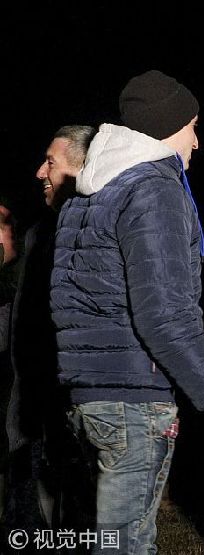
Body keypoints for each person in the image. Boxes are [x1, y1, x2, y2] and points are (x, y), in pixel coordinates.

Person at [50, 70, 204, 554]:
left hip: (88, 398)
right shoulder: (153, 189)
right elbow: (164, 316)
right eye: (192, 127)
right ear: (168, 127)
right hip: (132, 400)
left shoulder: (87, 194)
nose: (197, 142)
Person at [5, 125, 95, 534]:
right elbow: (23, 311)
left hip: (79, 396)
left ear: (81, 168)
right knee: (28, 502)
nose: (40, 172)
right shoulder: (39, 232)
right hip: (32, 395)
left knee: (80, 506)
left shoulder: (100, 230)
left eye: (50, 163)